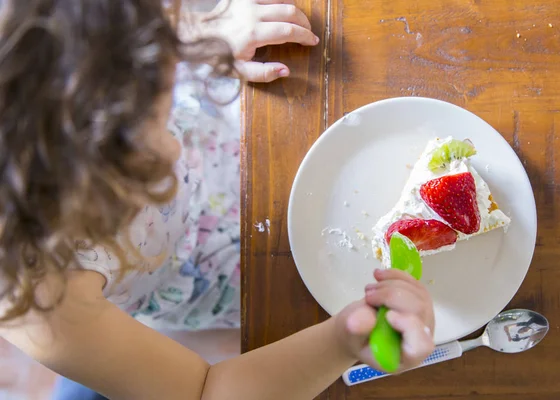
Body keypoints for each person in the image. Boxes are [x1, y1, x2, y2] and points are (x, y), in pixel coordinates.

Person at [0, 1, 436, 399]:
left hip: (228, 140)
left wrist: (198, 33)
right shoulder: (40, 301)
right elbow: (205, 391)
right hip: (205, 268)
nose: (172, 149)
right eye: (139, 154)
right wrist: (343, 340)